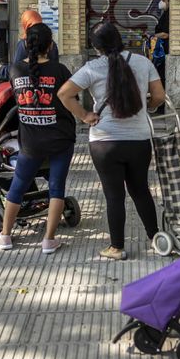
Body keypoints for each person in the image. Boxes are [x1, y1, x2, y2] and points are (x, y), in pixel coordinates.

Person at [58, 22, 165, 261]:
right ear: (120, 39)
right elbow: (158, 96)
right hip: (139, 140)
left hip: (104, 143)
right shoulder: (143, 63)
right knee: (141, 190)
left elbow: (64, 93)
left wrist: (85, 115)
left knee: (114, 195)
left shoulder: (92, 67)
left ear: (97, 48)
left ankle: (116, 248)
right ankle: (156, 239)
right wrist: (150, 107)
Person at [0, 23, 76, 254]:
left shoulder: (15, 70)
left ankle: (5, 236)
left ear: (26, 44)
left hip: (30, 143)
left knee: (18, 186)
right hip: (61, 139)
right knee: (57, 188)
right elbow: (72, 98)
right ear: (51, 45)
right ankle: (49, 240)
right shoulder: (61, 71)